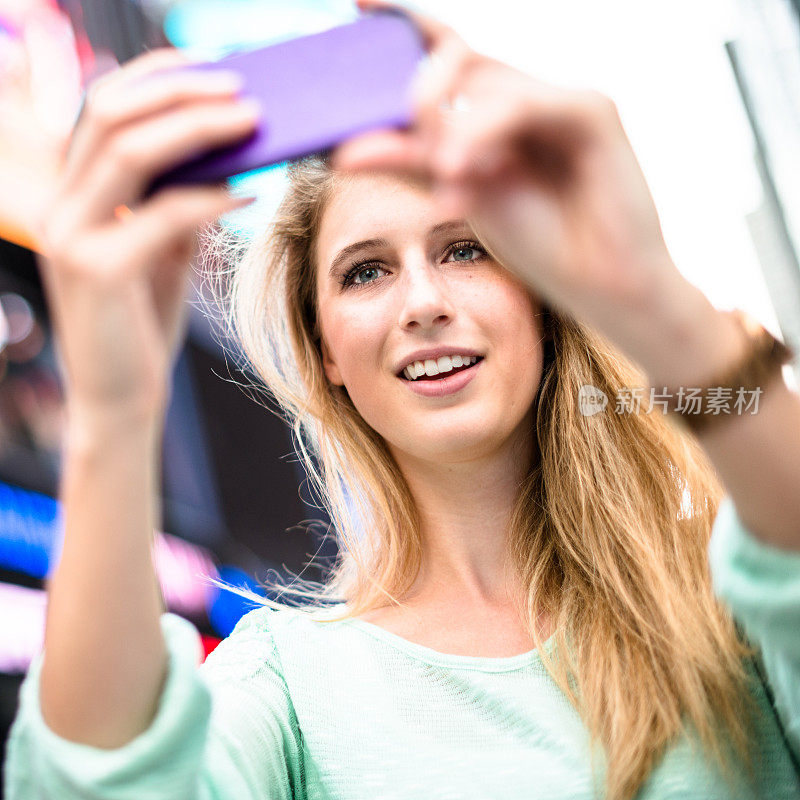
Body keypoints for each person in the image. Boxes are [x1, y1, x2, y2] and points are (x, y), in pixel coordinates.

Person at [5, 1, 800, 798]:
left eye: (466, 249)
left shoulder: (733, 603)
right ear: (327, 352)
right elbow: (99, 782)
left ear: (542, 297)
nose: (422, 301)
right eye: (366, 270)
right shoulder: (283, 686)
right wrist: (114, 410)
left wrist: (656, 299)